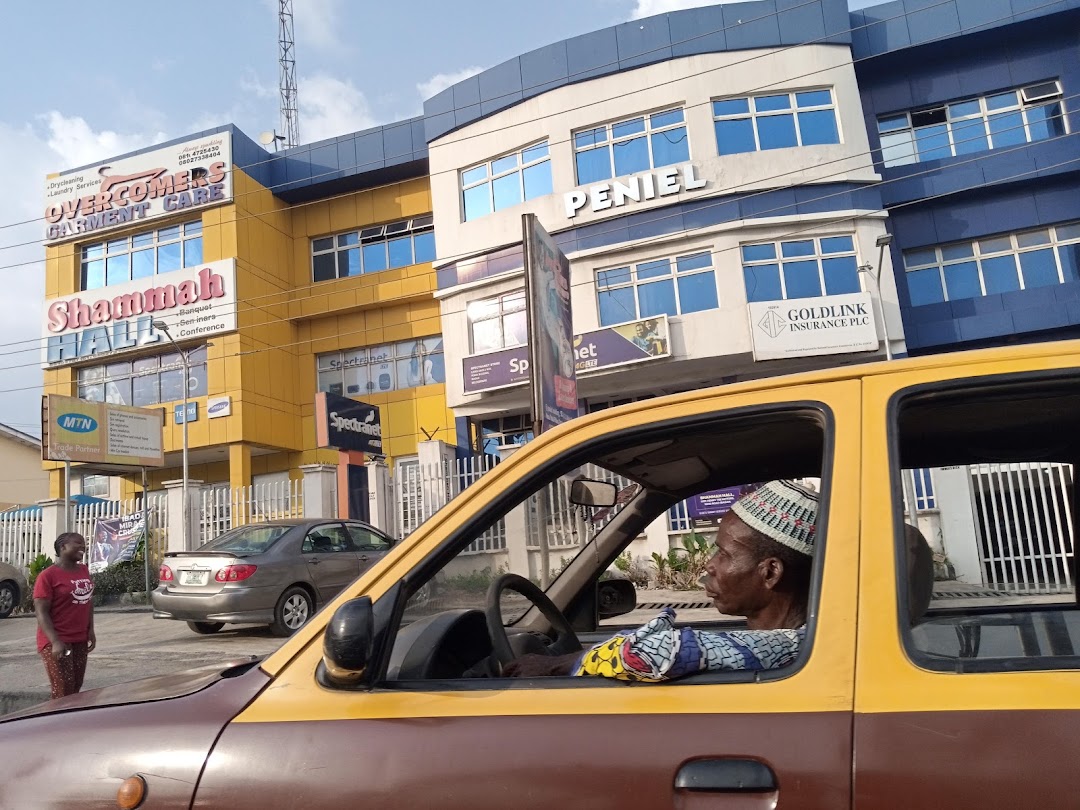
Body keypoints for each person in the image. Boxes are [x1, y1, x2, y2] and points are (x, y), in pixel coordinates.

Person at [505, 480, 817, 681]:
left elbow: (654, 651)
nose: (710, 563)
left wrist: (551, 666)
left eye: (724, 554)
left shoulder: (790, 647)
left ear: (771, 572)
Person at [34, 532, 96, 699]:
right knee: (63, 689)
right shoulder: (47, 576)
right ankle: (55, 723)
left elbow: (87, 601)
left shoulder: (83, 570)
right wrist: (55, 641)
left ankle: (71, 722)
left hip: (79, 638)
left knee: (76, 686)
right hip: (57, 640)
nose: (82, 547)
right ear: (63, 547)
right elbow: (41, 612)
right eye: (78, 543)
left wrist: (90, 630)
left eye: (84, 543)